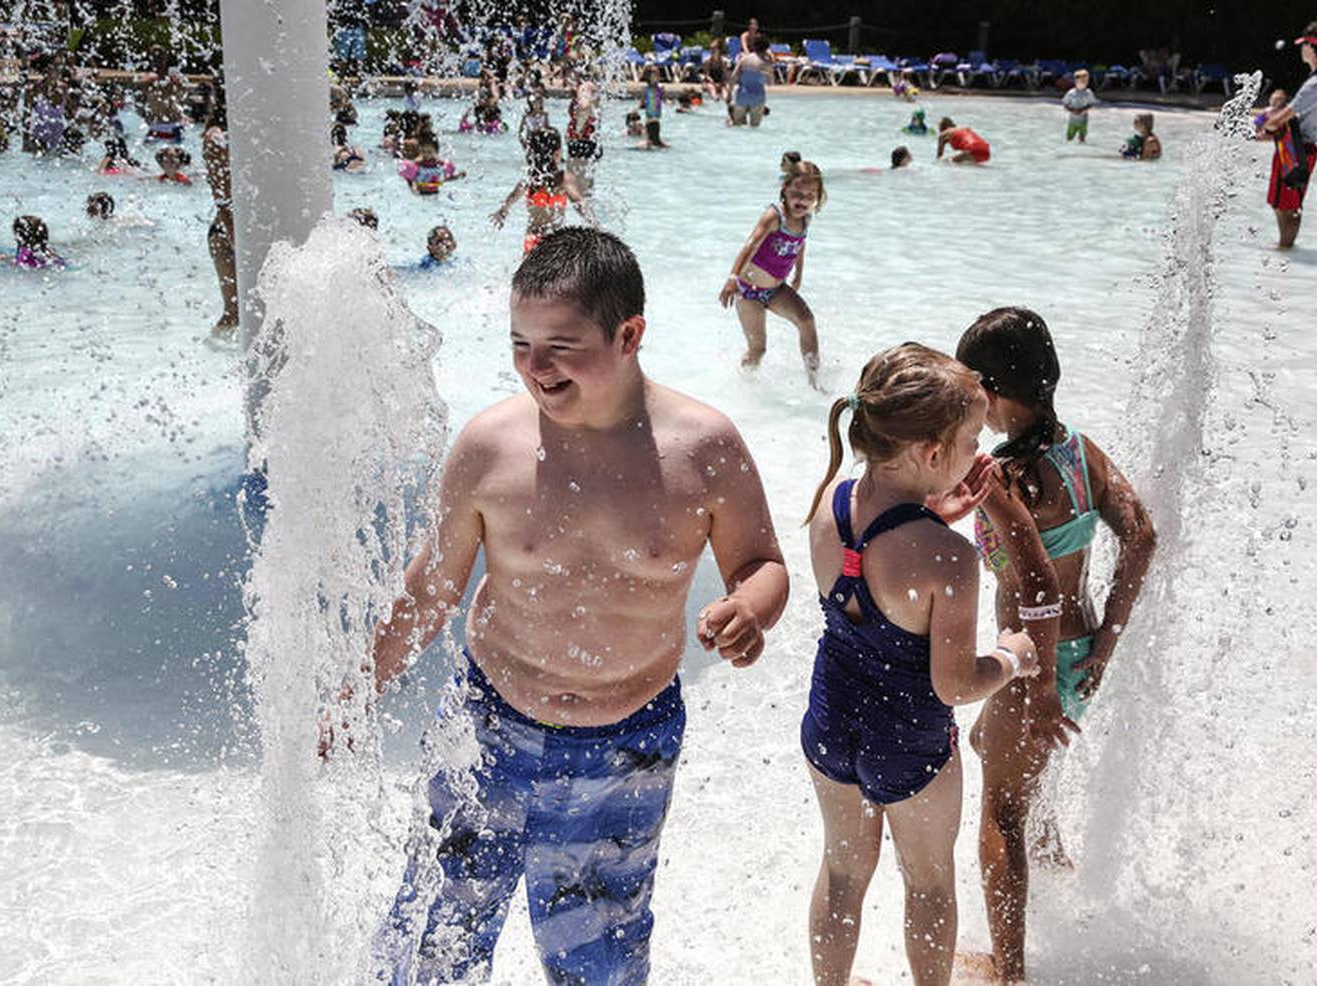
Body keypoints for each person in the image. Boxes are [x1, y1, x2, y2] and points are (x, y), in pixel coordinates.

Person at [347, 227, 790, 986]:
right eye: (520, 343)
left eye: (560, 344)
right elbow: (431, 589)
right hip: (487, 726)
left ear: (629, 334)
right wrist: (353, 697)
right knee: (434, 937)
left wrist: (751, 606)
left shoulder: (701, 448)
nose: (535, 366)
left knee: (601, 957)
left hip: (626, 746)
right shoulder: (491, 447)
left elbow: (762, 563)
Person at [802, 343, 1040, 986]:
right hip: (907, 741)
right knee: (930, 881)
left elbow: (870, 567)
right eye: (970, 439)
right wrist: (1011, 659)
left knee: (844, 872)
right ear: (932, 454)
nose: (978, 449)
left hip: (830, 722)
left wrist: (928, 512)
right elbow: (954, 683)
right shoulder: (949, 560)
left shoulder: (832, 501)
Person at [955, 307, 1155, 986]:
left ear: (989, 389)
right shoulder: (1078, 450)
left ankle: (1010, 973)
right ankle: (1060, 881)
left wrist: (1037, 686)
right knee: (999, 755)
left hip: (1032, 666)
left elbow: (1034, 584)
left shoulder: (1006, 478)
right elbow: (1142, 535)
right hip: (1079, 657)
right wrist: (1106, 645)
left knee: (1001, 813)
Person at [719, 161, 825, 386]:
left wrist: (798, 274)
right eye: (797, 193)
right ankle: (743, 386)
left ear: (817, 196)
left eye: (809, 195)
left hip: (776, 290)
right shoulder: (774, 216)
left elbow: (800, 244)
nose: (802, 200)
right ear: (785, 188)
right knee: (758, 349)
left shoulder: (806, 218)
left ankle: (814, 382)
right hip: (749, 292)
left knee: (807, 320)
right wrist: (732, 279)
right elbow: (750, 245)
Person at [1260, 18, 1317, 249]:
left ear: (1312, 47)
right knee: (1286, 203)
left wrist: (1264, 128)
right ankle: (1286, 247)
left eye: (1304, 44)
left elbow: (1287, 113)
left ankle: (1285, 247)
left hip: (1297, 151)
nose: (1301, 49)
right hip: (1300, 148)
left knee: (1286, 205)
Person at [492, 126, 595, 252]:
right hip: (555, 241)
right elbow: (579, 204)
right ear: (557, 153)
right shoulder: (563, 178)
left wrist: (503, 210)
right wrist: (596, 225)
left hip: (533, 239)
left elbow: (513, 196)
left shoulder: (531, 178)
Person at [202, 95, 238, 336]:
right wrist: (234, 233)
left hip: (233, 229)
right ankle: (215, 362)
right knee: (233, 313)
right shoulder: (215, 135)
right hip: (225, 231)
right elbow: (222, 196)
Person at [137, 46, 187, 143]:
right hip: (170, 127)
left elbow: (138, 103)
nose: (157, 60)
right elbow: (182, 96)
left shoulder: (147, 80)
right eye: (156, 57)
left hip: (160, 128)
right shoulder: (175, 79)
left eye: (158, 57)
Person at [565, 76, 601, 197]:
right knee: (587, 181)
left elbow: (585, 108)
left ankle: (581, 209)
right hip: (588, 139)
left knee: (575, 181)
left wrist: (577, 130)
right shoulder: (588, 88)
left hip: (581, 140)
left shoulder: (584, 87)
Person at [398, 134, 464, 194]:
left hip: (435, 192)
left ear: (436, 152)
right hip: (421, 193)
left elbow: (445, 179)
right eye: (423, 152)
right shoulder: (417, 164)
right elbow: (409, 178)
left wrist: (458, 176)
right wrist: (412, 188)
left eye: (429, 152)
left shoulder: (439, 165)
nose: (426, 155)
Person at [729, 36, 771, 128]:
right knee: (754, 127)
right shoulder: (766, 63)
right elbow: (770, 82)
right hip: (758, 96)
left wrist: (729, 93)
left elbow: (733, 76)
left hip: (742, 95)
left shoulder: (744, 59)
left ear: (754, 46)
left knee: (736, 125)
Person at [1061, 68, 1097, 142]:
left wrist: (1083, 110)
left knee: (1082, 138)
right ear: (1075, 81)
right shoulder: (1071, 93)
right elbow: (1065, 105)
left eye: (1086, 81)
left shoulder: (1088, 92)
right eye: (1082, 81)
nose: (1084, 83)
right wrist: (1072, 110)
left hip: (1083, 121)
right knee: (1069, 138)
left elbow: (1092, 104)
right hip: (1072, 121)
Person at [639, 65, 667, 147]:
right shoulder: (645, 89)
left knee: (656, 125)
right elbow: (642, 103)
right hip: (650, 114)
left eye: (658, 75)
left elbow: (663, 99)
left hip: (657, 113)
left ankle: (654, 140)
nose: (657, 78)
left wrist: (667, 100)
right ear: (648, 77)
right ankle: (649, 140)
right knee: (651, 125)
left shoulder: (660, 88)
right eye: (655, 76)